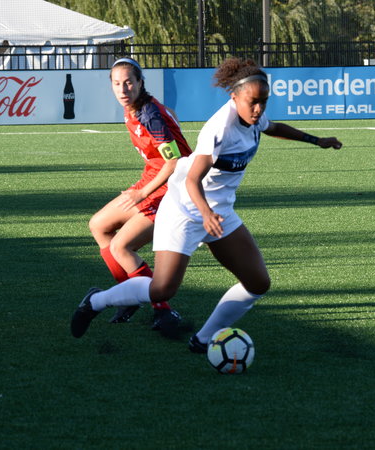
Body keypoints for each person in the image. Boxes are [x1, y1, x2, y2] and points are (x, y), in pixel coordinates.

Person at [71, 57, 342, 349]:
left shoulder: (253, 116)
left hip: (217, 212)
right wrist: (205, 213)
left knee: (258, 284)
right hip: (184, 210)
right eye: (253, 102)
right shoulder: (220, 129)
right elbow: (192, 180)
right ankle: (96, 301)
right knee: (162, 289)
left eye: (263, 101)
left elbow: (272, 127)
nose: (259, 109)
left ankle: (202, 340)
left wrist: (316, 140)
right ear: (234, 97)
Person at [87, 57, 192, 327]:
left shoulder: (149, 116)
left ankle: (163, 310)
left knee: (121, 246)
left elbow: (175, 161)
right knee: (98, 225)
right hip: (153, 179)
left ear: (140, 83)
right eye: (117, 83)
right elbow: (170, 119)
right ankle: (129, 296)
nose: (123, 89)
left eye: (129, 83)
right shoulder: (134, 108)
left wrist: (143, 193)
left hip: (173, 186)